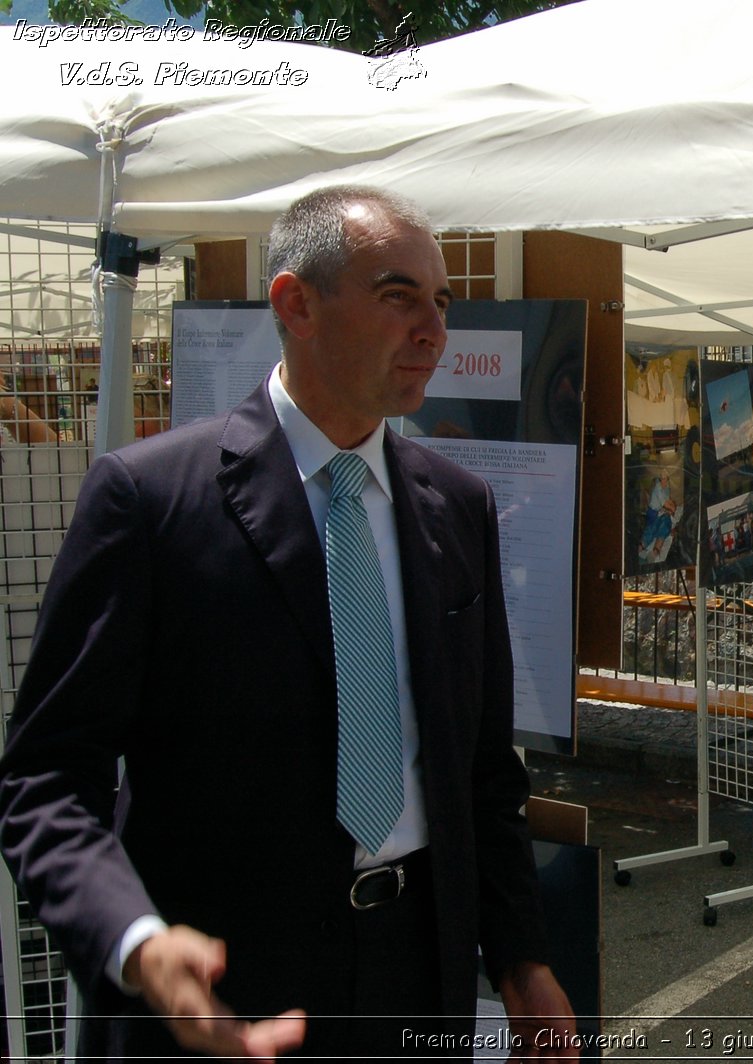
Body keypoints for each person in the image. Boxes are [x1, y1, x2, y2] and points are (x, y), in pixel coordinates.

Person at [0, 186, 577, 1060]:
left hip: (415, 980)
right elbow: (45, 779)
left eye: (441, 302)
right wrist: (135, 943)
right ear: (295, 304)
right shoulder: (150, 502)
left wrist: (521, 956)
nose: (433, 330)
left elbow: (481, 772)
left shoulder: (455, 507)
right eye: (398, 296)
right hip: (221, 995)